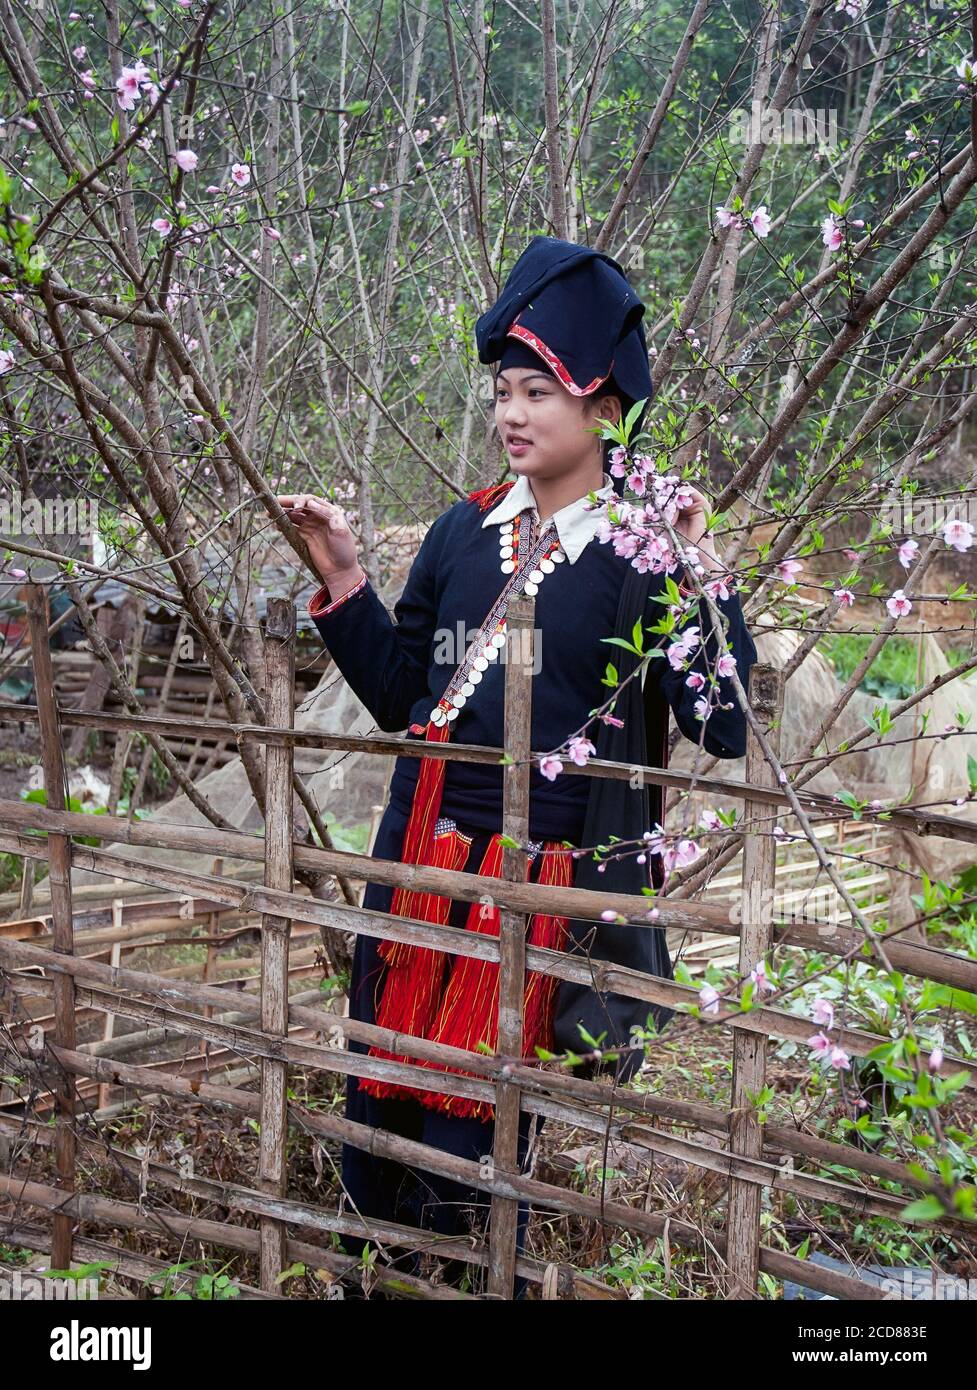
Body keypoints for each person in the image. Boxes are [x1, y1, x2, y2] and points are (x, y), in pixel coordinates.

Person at [278, 236, 758, 1297]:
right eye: (503, 389)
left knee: (480, 1135)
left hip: (541, 894)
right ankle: (371, 1275)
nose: (512, 412)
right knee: (382, 1101)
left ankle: (462, 1283)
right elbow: (412, 700)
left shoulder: (639, 558)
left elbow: (721, 724)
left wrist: (702, 568)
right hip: (425, 869)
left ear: (601, 407)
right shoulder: (461, 533)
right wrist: (347, 578)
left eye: (538, 391)